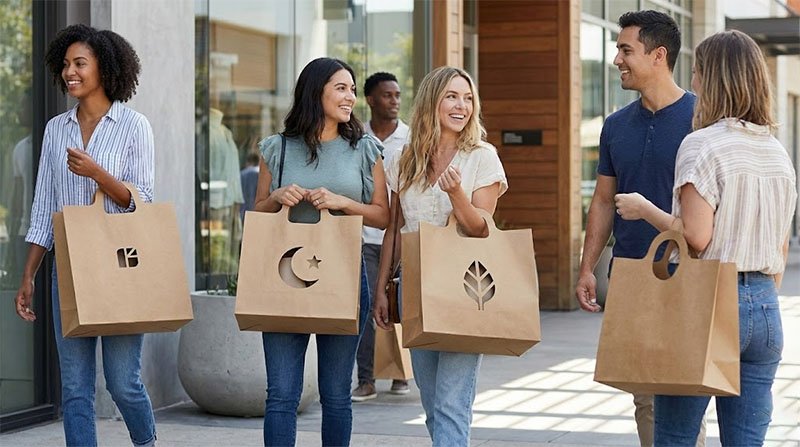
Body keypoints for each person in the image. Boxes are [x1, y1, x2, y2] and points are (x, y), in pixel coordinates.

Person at [615, 29, 797, 447]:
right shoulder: (776, 151)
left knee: (676, 436)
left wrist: (645, 210)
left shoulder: (702, 145)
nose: (693, 81)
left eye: (697, 72)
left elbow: (696, 236)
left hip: (709, 301)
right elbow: (781, 246)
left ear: (712, 79)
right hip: (765, 307)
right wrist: (755, 298)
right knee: (746, 440)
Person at [13, 24, 156, 446]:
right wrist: (29, 275)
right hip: (70, 267)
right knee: (75, 389)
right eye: (65, 65)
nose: (69, 72)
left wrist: (98, 173)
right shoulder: (56, 130)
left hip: (121, 265)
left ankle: (146, 441)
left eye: (80, 64)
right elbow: (43, 208)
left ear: (104, 68)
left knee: (122, 383)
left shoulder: (134, 125)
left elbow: (143, 200)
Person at [573, 10, 705, 447]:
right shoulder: (614, 126)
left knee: (685, 395)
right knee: (645, 395)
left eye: (626, 50)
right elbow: (603, 201)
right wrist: (587, 265)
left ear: (658, 55)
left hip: (687, 273)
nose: (617, 60)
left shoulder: (700, 120)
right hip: (631, 275)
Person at [252, 57, 389, 446]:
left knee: (335, 395)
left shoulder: (364, 148)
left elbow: (382, 216)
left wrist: (344, 203)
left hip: (344, 277)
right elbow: (257, 213)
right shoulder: (276, 148)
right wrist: (277, 196)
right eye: (341, 88)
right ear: (316, 92)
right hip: (283, 277)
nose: (351, 98)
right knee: (280, 395)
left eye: (351, 89)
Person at [373, 66, 508, 446]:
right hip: (414, 287)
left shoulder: (482, 156)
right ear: (432, 101)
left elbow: (481, 228)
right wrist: (383, 288)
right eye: (451, 96)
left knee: (451, 404)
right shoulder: (404, 156)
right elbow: (394, 229)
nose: (461, 105)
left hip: (466, 287)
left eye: (467, 98)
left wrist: (457, 195)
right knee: (433, 404)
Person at [352, 71, 410, 402]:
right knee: (368, 306)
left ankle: (400, 373)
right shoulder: (358, 139)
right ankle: (367, 378)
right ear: (371, 100)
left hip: (401, 236)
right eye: (387, 95)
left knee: (398, 305)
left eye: (398, 95)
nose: (394, 101)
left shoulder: (410, 138)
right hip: (366, 236)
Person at [239, 151, 260, 221]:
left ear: (248, 162)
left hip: (243, 210)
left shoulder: (242, 174)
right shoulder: (260, 173)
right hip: (257, 211)